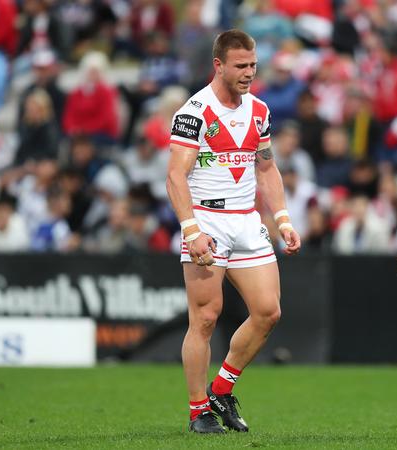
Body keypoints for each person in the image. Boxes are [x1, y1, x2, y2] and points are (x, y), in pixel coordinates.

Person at [166, 29, 301, 435]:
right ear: (218, 65)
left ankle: (221, 389)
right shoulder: (195, 112)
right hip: (206, 221)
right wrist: (191, 230)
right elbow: (176, 175)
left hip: (246, 220)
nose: (248, 73)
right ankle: (197, 411)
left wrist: (283, 219)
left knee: (268, 312)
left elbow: (265, 166)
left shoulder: (259, 110)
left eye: (253, 65)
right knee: (205, 319)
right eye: (240, 66)